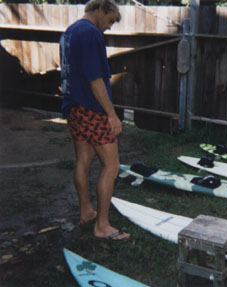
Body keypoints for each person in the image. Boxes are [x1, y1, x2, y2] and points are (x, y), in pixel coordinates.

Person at [59, 0, 129, 240]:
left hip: (74, 107)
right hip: (91, 109)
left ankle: (86, 211)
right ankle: (102, 226)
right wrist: (111, 114)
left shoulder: (70, 31)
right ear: (102, 9)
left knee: (83, 159)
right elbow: (95, 79)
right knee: (112, 166)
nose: (108, 27)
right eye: (110, 21)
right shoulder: (91, 34)